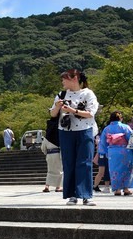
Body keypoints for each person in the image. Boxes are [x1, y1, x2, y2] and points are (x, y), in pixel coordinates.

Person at [50, 68, 99, 204]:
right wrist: (57, 107)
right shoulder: (62, 94)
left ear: (74, 78)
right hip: (65, 131)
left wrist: (72, 110)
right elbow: (53, 114)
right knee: (68, 162)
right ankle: (72, 195)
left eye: (64, 78)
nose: (62, 81)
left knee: (85, 162)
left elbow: (91, 113)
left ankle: (85, 195)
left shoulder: (88, 94)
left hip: (85, 130)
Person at [97, 111, 133, 196]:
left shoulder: (107, 129)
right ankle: (126, 188)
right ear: (120, 118)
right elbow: (131, 139)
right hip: (125, 151)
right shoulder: (125, 127)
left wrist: (103, 152)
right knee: (126, 169)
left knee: (114, 170)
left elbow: (103, 143)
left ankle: (117, 190)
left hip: (112, 152)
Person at [40, 117, 62, 193]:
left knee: (50, 171)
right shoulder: (59, 135)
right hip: (58, 154)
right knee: (59, 170)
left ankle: (47, 186)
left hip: (49, 154)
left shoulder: (47, 137)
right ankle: (58, 187)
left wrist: (47, 153)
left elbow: (43, 148)